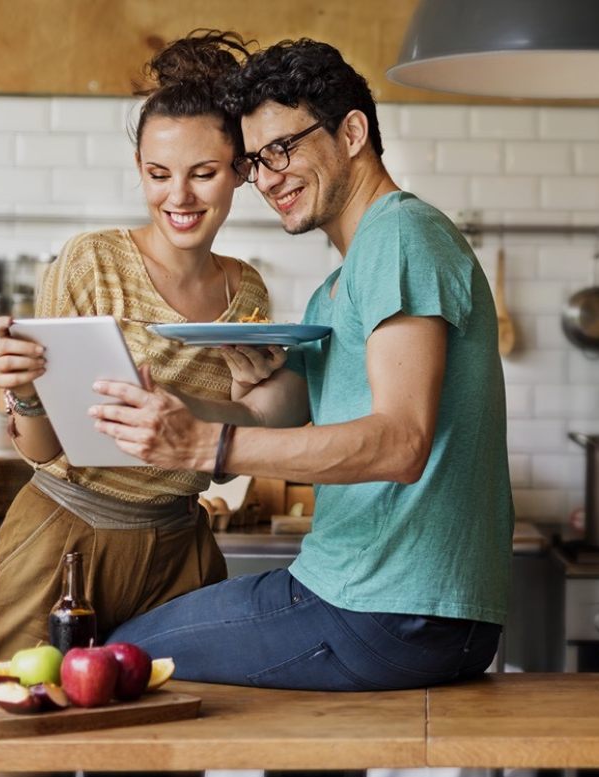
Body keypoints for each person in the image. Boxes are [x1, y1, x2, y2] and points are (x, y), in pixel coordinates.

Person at [92, 38, 511, 691]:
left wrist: (208, 444)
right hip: (370, 600)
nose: (266, 178)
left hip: (389, 608)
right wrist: (190, 402)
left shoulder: (402, 236)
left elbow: (401, 445)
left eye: (282, 149)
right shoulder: (337, 284)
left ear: (351, 132)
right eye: (255, 161)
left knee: (116, 658)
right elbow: (282, 414)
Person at [0, 31, 271, 663]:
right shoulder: (90, 263)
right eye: (158, 174)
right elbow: (43, 449)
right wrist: (23, 392)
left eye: (203, 174)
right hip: (64, 536)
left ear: (240, 170)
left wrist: (246, 400)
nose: (178, 197)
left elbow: (228, 464)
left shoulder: (247, 290)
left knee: (172, 737)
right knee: (19, 722)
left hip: (182, 549)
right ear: (139, 171)